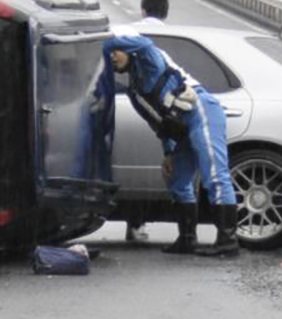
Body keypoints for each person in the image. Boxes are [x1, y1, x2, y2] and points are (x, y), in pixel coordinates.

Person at [99, 32, 240, 257]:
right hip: (181, 130)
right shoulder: (135, 91)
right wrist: (169, 152)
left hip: (202, 112)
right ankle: (187, 238)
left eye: (116, 52)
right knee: (177, 180)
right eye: (109, 56)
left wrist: (105, 41)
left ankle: (227, 239)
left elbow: (145, 42)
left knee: (214, 174)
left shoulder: (150, 59)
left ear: (129, 50)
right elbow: (160, 125)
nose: (113, 58)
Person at [125, 0, 172, 244]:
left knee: (129, 176)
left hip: (141, 108)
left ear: (143, 10)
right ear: (165, 13)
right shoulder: (170, 38)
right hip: (165, 108)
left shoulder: (129, 33)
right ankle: (186, 232)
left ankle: (134, 222)